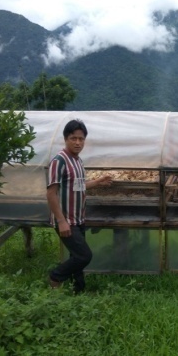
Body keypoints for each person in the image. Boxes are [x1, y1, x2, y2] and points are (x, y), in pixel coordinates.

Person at [47, 119, 111, 293]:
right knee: (84, 256)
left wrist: (98, 182)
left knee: (76, 256)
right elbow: (51, 193)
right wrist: (61, 221)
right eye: (73, 138)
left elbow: (78, 186)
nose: (77, 142)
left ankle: (79, 289)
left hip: (78, 218)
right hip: (66, 220)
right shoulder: (59, 161)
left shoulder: (77, 161)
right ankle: (55, 276)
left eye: (81, 139)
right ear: (66, 139)